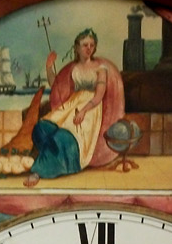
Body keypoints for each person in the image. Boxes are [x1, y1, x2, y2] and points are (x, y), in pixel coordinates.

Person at [22, 29, 124, 186]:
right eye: (85, 45)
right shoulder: (73, 67)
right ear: (77, 47)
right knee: (41, 128)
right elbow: (56, 86)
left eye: (91, 45)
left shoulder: (101, 68)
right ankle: (55, 160)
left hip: (90, 108)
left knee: (63, 137)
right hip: (72, 104)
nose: (89, 48)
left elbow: (99, 96)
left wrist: (83, 111)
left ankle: (38, 172)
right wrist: (49, 67)